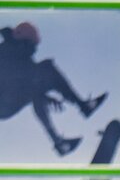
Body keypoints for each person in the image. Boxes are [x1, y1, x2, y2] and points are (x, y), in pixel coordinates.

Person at [0, 22, 106, 156]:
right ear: (22, 40)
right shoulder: (5, 52)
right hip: (3, 102)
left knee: (41, 83)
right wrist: (44, 95)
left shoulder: (20, 52)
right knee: (47, 69)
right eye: (31, 45)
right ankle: (83, 107)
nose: (33, 50)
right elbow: (13, 80)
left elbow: (27, 82)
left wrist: (44, 95)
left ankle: (61, 144)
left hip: (7, 99)